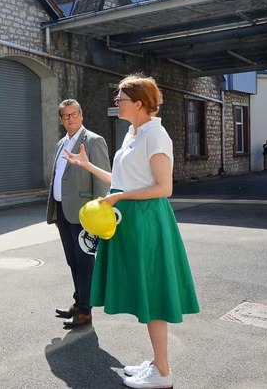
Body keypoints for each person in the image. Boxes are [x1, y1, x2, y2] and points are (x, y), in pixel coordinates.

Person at [64, 75, 199, 389]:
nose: (117, 102)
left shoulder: (156, 135)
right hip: (132, 220)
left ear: (139, 103)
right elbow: (122, 180)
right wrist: (88, 166)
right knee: (146, 294)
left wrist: (121, 197)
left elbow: (163, 188)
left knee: (152, 294)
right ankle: (156, 363)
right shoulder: (133, 133)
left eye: (121, 98)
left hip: (148, 222)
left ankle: (163, 372)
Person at [46, 99, 111, 329]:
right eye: (65, 116)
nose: (70, 119)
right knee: (73, 261)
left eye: (73, 114)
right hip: (63, 212)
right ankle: (79, 301)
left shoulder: (93, 141)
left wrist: (99, 214)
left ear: (81, 115)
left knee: (85, 263)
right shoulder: (61, 143)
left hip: (85, 214)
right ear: (61, 120)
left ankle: (85, 311)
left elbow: (102, 182)